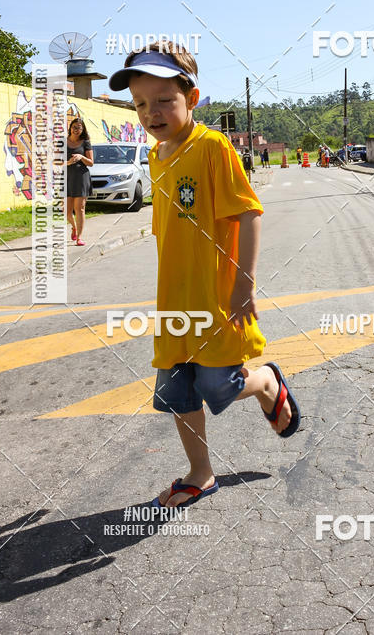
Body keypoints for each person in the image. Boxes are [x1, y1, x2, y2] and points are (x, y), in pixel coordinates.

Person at [108, 41, 301, 509]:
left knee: (219, 385)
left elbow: (249, 213)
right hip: (173, 301)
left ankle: (268, 383)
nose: (151, 113)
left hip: (215, 298)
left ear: (191, 99)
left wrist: (243, 283)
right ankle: (201, 473)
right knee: (178, 393)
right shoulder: (157, 156)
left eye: (163, 102)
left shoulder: (212, 147)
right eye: (140, 104)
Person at [66, 118, 93, 245]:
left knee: (80, 208)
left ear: (83, 130)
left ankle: (79, 237)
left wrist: (81, 157)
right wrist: (68, 162)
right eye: (74, 127)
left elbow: (91, 163)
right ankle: (74, 227)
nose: (77, 130)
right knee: (66, 212)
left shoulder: (85, 142)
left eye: (79, 128)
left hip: (81, 178)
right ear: (70, 128)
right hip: (66, 179)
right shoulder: (62, 142)